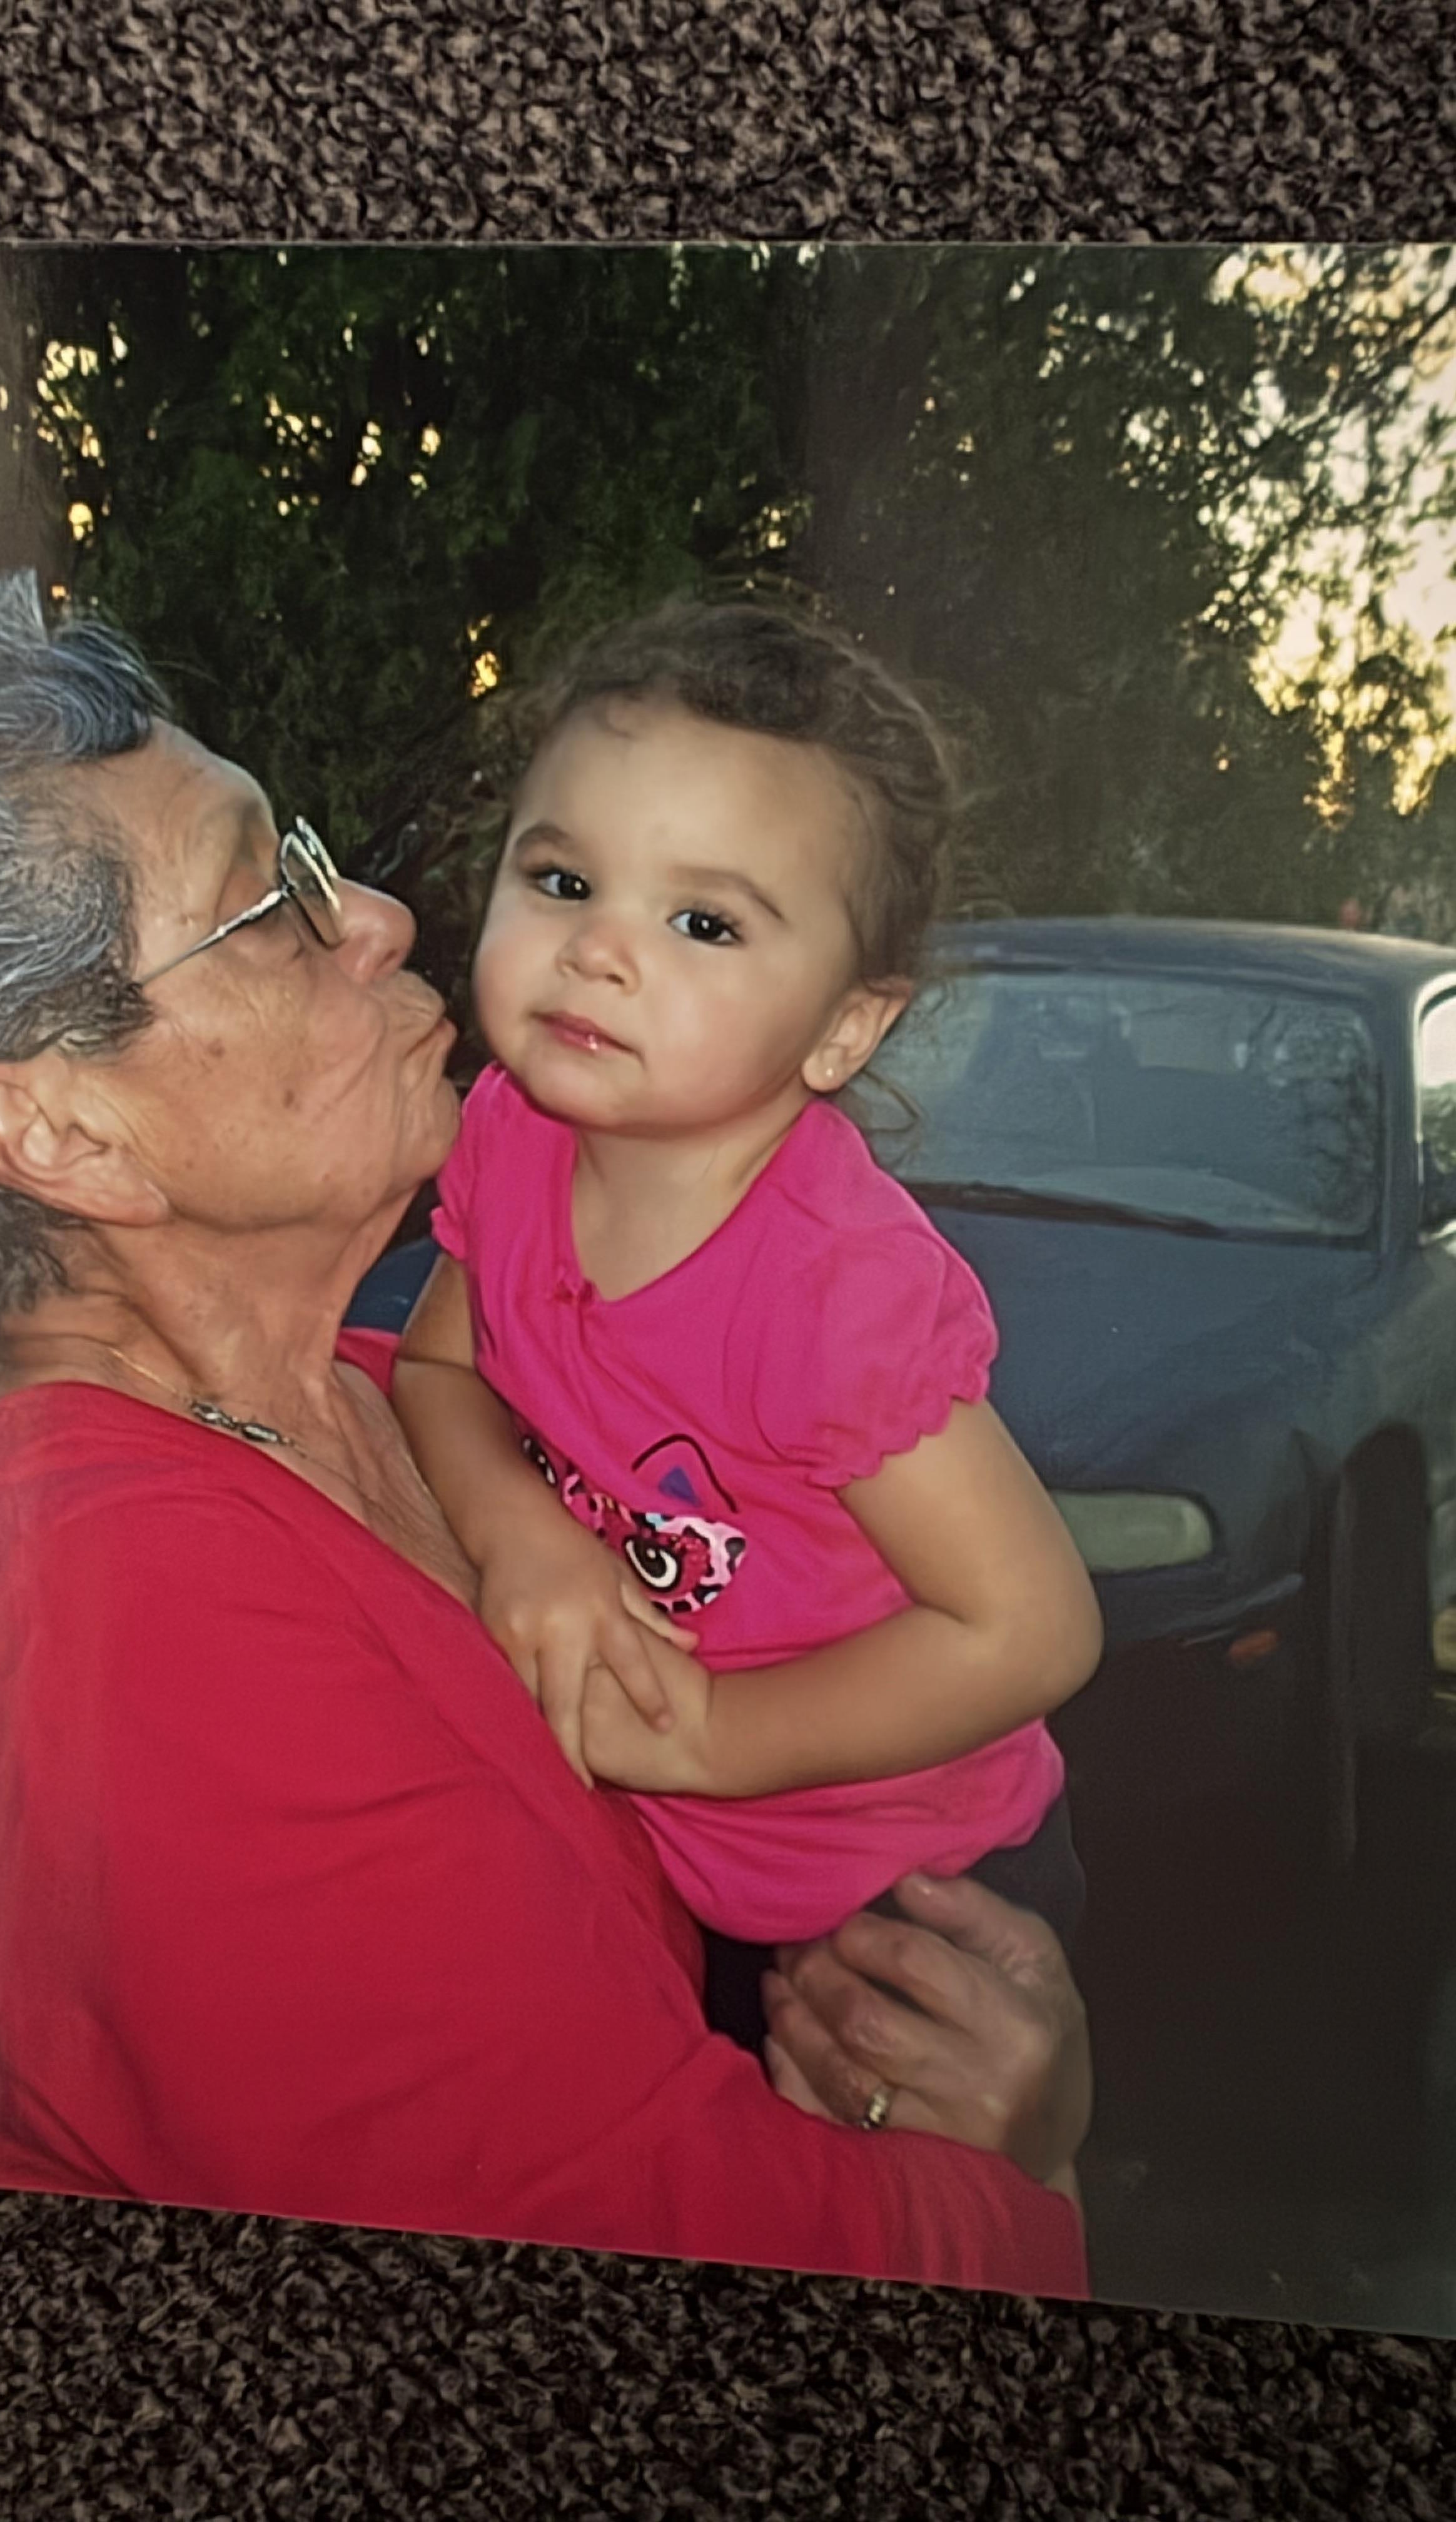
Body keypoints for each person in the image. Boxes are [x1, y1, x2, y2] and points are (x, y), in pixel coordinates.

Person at [0, 572, 1088, 2298]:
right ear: (67, 1134)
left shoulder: (355, 1382)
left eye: (312, 858)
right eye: (266, 904)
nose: (390, 919)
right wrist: (1025, 2175)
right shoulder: (129, 1652)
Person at [393, 601, 1104, 2033]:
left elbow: (1030, 1628)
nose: (600, 951)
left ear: (847, 1027)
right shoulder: (510, 1135)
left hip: (904, 1889)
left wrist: (718, 1737)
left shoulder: (833, 1295)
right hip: (669, 1850)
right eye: (562, 878)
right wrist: (524, 1536)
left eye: (703, 921)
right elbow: (433, 1367)